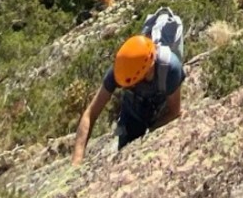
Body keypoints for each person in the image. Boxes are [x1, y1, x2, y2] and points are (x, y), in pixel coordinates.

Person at [72, 17, 185, 164]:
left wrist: (150, 134)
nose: (129, 87)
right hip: (133, 112)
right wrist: (76, 161)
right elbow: (90, 114)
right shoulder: (120, 70)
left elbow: (174, 112)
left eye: (132, 84)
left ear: (146, 71)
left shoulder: (170, 68)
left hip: (160, 112)